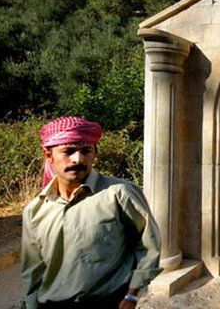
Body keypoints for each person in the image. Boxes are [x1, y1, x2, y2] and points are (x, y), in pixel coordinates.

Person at [21, 117, 161, 309]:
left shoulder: (119, 194)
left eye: (86, 151)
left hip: (108, 301)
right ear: (48, 154)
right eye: (68, 151)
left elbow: (147, 244)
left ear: (95, 153)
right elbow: (33, 270)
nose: (78, 159)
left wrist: (132, 295)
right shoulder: (35, 210)